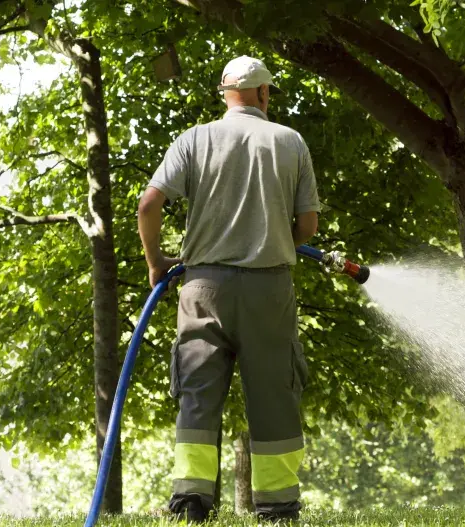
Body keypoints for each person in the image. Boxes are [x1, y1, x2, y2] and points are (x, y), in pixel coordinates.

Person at [138, 55, 320, 523]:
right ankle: (278, 507)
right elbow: (308, 225)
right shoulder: (289, 141)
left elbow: (148, 204)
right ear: (262, 93)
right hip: (269, 288)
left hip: (202, 286)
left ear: (226, 93)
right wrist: (276, 239)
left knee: (198, 393)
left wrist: (157, 262)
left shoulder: (193, 139)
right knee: (274, 395)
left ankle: (191, 502)